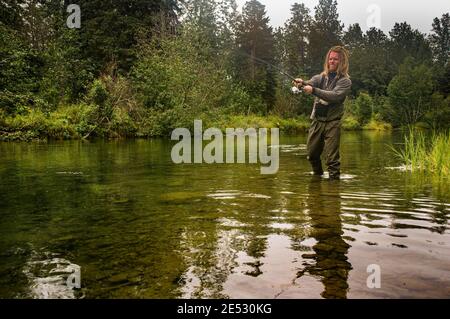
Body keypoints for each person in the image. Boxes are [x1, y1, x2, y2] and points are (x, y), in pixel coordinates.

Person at [293, 46, 352, 180]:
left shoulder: (345, 81)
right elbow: (310, 83)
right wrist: (301, 83)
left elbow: (334, 96)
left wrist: (313, 90)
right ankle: (317, 180)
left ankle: (333, 190)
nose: (332, 61)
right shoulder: (320, 77)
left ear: (342, 62)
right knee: (312, 155)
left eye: (335, 59)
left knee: (332, 159)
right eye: (330, 59)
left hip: (333, 123)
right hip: (317, 121)